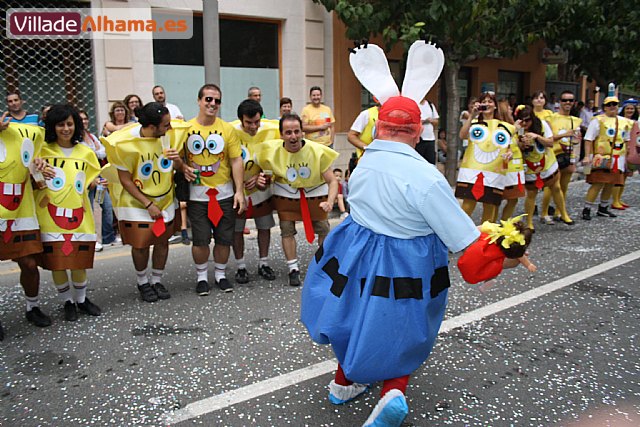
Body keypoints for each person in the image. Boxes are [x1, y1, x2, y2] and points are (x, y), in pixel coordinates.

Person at [301, 40, 482, 427]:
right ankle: (393, 391)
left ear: (379, 126)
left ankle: (343, 381)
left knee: (352, 310)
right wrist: (504, 248)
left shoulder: (366, 161)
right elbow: (466, 241)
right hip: (406, 258)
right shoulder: (426, 178)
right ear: (418, 132)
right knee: (404, 320)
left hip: (355, 248)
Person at [102, 102, 192, 302]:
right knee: (141, 244)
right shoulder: (124, 143)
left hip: (165, 197)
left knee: (162, 241)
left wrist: (178, 161)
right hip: (137, 201)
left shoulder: (170, 136)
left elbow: (177, 167)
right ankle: (142, 282)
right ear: (152, 127)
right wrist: (147, 204)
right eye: (166, 125)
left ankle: (157, 280)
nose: (170, 128)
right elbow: (125, 179)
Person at [254, 113, 338, 286]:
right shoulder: (271, 152)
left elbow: (332, 180)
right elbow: (261, 175)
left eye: (296, 132)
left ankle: (322, 265)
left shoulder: (317, 151)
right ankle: (293, 268)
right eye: (288, 132)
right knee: (287, 230)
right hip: (287, 194)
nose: (293, 136)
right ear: (281, 135)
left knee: (323, 229)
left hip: (315, 193)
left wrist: (330, 201)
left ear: (302, 133)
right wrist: (260, 180)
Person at [36, 104, 102, 321]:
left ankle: (82, 300)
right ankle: (67, 302)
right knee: (58, 262)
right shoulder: (42, 150)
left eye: (69, 124)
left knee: (79, 259)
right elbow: (32, 179)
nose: (65, 128)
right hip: (49, 216)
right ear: (52, 126)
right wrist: (36, 170)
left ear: (76, 125)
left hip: (80, 214)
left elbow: (91, 180)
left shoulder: (85, 152)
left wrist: (98, 183)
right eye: (60, 124)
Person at [182, 84, 245, 295]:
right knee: (200, 240)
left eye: (217, 100)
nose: (212, 104)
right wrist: (183, 167)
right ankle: (201, 277)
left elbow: (236, 160)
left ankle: (220, 275)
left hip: (224, 193)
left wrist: (239, 191)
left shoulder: (228, 129)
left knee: (223, 237)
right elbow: (176, 159)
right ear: (199, 101)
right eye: (208, 99)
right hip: (197, 195)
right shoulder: (185, 129)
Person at [0, 116, 53, 336]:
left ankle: (32, 306)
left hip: (22, 210)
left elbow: (38, 168)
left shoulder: (25, 134)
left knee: (29, 264)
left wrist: (40, 166)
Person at [231, 99, 279, 285]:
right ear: (240, 120)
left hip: (261, 188)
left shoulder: (271, 129)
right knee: (237, 228)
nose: (253, 126)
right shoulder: (230, 131)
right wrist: (240, 184)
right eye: (248, 123)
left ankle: (263, 263)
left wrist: (264, 176)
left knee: (264, 226)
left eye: (256, 122)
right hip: (238, 188)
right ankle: (240, 266)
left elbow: (278, 157)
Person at [514, 105, 573, 230]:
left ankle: (564, 214)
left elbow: (550, 143)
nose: (525, 123)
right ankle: (529, 222)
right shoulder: (516, 128)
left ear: (533, 118)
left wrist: (537, 137)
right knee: (531, 193)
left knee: (556, 187)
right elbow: (513, 147)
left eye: (527, 120)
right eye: (522, 120)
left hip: (547, 163)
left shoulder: (542, 125)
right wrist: (520, 144)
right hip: (529, 166)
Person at [457, 92, 512, 223]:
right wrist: (472, 116)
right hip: (472, 170)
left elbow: (508, 146)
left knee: (490, 206)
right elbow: (462, 135)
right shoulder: (474, 123)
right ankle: (459, 236)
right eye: (484, 101)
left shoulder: (505, 127)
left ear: (495, 105)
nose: (487, 104)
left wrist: (510, 154)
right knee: (468, 204)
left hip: (494, 171)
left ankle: (486, 238)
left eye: (490, 101)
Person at [581, 94, 632, 220]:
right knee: (598, 183)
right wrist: (587, 156)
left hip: (617, 158)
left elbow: (626, 140)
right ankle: (587, 208)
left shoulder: (624, 122)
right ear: (604, 107)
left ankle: (603, 207)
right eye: (609, 104)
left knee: (612, 182)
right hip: (601, 157)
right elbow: (588, 139)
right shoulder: (597, 120)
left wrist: (626, 157)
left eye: (614, 104)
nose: (612, 107)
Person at [78, 110, 117, 251]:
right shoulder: (76, 138)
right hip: (86, 176)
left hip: (99, 174)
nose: (84, 122)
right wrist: (94, 152)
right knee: (89, 207)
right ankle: (92, 238)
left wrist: (94, 152)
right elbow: (85, 155)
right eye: (81, 119)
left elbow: (102, 152)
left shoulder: (91, 136)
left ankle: (107, 237)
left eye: (85, 119)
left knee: (105, 205)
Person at [541, 91, 582, 222]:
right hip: (553, 155)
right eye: (565, 100)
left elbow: (577, 140)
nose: (567, 103)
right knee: (552, 185)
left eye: (570, 100)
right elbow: (547, 138)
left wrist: (575, 158)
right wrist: (564, 135)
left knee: (564, 186)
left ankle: (559, 211)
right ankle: (544, 212)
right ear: (560, 102)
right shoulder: (551, 118)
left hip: (568, 156)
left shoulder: (575, 120)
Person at [611, 98, 639, 209]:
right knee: (619, 176)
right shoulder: (619, 121)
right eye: (627, 108)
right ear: (624, 109)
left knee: (625, 176)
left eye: (632, 109)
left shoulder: (636, 122)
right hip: (620, 150)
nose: (630, 110)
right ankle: (614, 200)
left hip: (632, 152)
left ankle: (618, 198)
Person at [415, 94, 439, 164]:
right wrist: (424, 121)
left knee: (431, 161)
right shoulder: (415, 104)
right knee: (419, 162)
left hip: (430, 138)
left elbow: (436, 121)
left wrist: (431, 121)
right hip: (419, 139)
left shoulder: (430, 105)